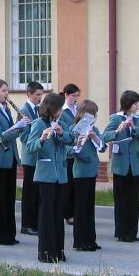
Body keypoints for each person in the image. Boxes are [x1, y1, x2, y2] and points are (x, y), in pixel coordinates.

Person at [26, 93, 72, 263]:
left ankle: (58, 251)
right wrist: (42, 139)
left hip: (61, 174)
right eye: (58, 108)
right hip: (46, 175)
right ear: (51, 108)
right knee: (46, 215)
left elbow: (71, 140)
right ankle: (46, 252)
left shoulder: (61, 123)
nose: (61, 111)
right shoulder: (39, 123)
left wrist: (61, 133)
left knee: (58, 214)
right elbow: (30, 146)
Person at [0, 79, 30, 245]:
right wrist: (19, 125)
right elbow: (0, 136)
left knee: (9, 197)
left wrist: (22, 125)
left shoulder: (5, 109)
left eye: (7, 90)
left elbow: (11, 134)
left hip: (10, 157)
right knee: (0, 198)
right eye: (3, 91)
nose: (7, 94)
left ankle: (9, 234)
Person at [101, 90, 139, 242]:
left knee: (133, 200)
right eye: (135, 103)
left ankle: (132, 232)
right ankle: (121, 232)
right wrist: (118, 130)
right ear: (128, 104)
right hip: (120, 163)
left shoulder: (138, 119)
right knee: (121, 199)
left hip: (133, 164)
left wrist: (134, 128)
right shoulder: (116, 118)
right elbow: (105, 136)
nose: (137, 106)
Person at [70, 100, 105, 251]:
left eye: (95, 114)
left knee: (90, 207)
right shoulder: (74, 129)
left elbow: (102, 147)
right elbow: (72, 151)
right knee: (81, 208)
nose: (94, 117)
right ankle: (80, 241)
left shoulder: (94, 129)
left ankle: (91, 240)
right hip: (81, 172)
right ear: (83, 115)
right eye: (92, 114)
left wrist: (94, 137)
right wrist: (80, 141)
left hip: (92, 170)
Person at [19, 81, 44, 235]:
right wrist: (38, 137)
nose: (40, 98)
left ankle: (36, 223)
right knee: (29, 193)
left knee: (37, 193)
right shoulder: (24, 110)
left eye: (41, 95)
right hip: (30, 157)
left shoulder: (39, 109)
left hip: (39, 155)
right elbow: (23, 135)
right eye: (37, 95)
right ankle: (27, 224)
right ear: (29, 94)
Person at [59, 83, 80, 225]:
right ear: (66, 95)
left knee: (76, 184)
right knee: (69, 184)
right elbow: (64, 130)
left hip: (78, 148)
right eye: (73, 96)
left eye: (77, 96)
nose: (76, 98)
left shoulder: (78, 109)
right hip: (68, 150)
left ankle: (75, 211)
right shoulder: (62, 111)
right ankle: (68, 214)